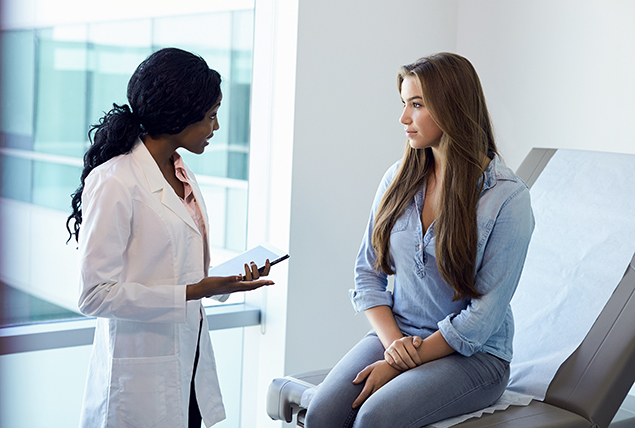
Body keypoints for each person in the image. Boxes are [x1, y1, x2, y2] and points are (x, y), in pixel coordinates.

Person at [304, 53, 535, 428]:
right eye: (403, 103)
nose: (403, 118)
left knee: (375, 420)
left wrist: (398, 363)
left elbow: (481, 319)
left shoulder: (507, 199)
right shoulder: (397, 178)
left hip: (474, 357)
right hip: (400, 335)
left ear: (452, 108)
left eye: (417, 104)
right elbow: (367, 274)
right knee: (323, 414)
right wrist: (395, 345)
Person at [66, 47, 273, 428]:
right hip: (139, 375)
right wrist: (192, 292)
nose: (216, 127)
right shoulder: (115, 181)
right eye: (211, 116)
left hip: (188, 360)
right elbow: (93, 295)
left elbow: (184, 266)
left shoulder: (181, 172)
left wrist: (227, 280)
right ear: (180, 116)